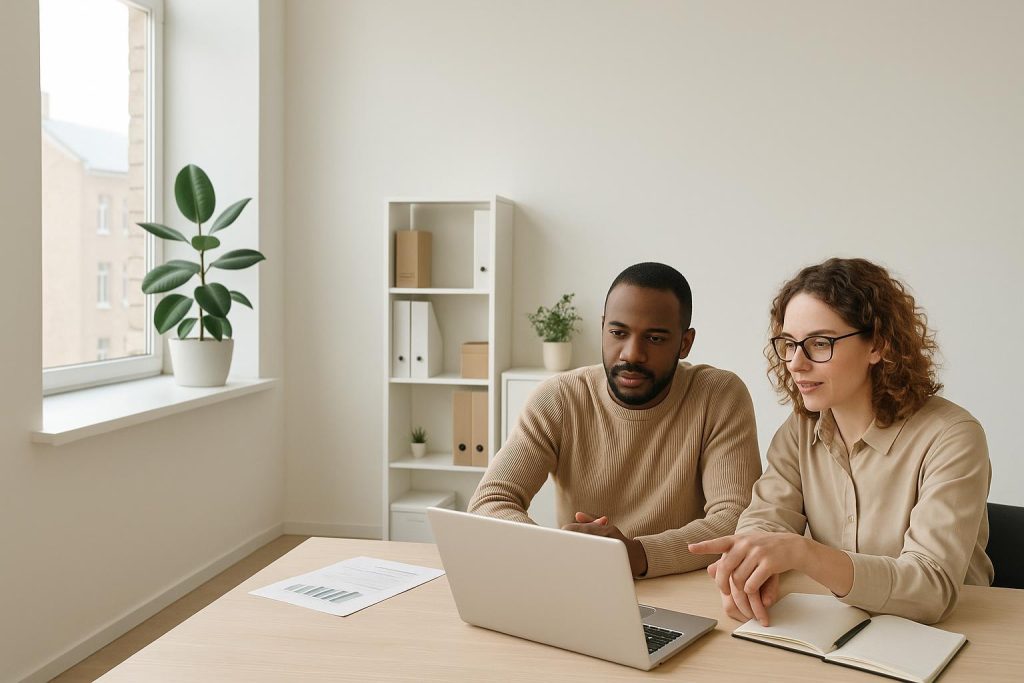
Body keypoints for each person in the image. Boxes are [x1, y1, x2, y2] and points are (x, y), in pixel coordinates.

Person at [689, 257, 993, 625]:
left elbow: (931, 589)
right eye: (789, 343)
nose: (796, 363)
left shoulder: (952, 436)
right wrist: (751, 572)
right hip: (837, 625)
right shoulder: (799, 429)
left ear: (877, 345)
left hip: (953, 636)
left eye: (819, 343)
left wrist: (805, 553)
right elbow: (765, 522)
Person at [468, 262, 762, 578]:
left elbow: (735, 518)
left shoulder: (718, 395)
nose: (631, 354)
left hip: (685, 585)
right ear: (603, 327)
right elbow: (490, 501)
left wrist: (637, 554)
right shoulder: (559, 398)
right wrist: (553, 548)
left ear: (685, 343)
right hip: (585, 582)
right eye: (618, 333)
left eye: (655, 338)